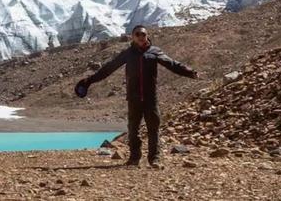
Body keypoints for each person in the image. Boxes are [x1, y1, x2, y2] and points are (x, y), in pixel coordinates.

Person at [75, 25, 198, 168]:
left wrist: (190, 72)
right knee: (133, 129)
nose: (141, 37)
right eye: (138, 34)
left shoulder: (155, 52)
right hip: (133, 98)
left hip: (151, 98)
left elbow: (172, 64)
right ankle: (134, 159)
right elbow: (109, 68)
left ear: (147, 36)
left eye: (144, 34)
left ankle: (155, 159)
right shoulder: (127, 54)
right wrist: (89, 81)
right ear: (133, 37)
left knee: (154, 129)